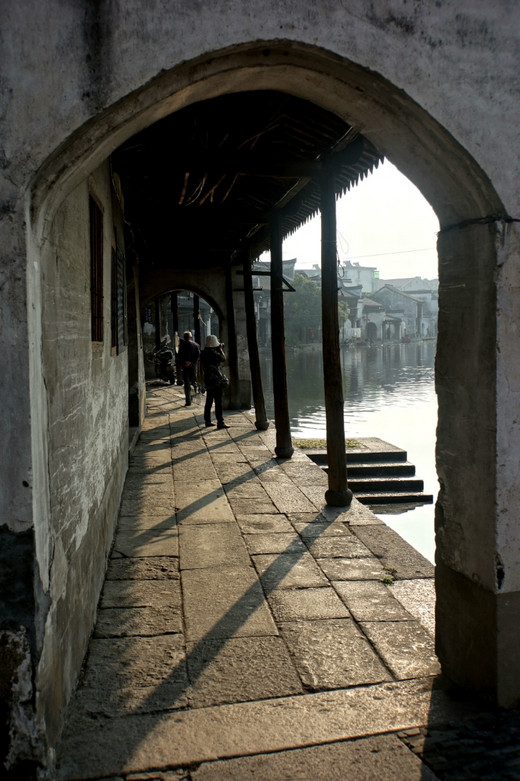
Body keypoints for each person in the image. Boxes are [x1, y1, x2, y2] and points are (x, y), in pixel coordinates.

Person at [200, 334, 229, 429]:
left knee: (208, 401)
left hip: (208, 379)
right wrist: (220, 349)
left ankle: (207, 421)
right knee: (218, 402)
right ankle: (220, 422)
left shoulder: (203, 353)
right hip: (216, 380)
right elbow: (223, 359)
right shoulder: (214, 353)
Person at [177, 330, 200, 406]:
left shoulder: (182, 346)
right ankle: (195, 394)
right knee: (193, 381)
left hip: (185, 367)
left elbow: (179, 356)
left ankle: (188, 401)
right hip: (193, 366)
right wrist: (191, 362)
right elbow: (197, 355)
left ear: (184, 337)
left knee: (186, 384)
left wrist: (185, 362)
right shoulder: (196, 345)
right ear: (191, 337)